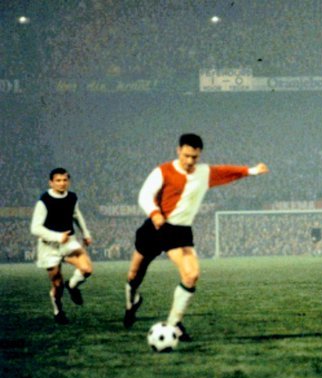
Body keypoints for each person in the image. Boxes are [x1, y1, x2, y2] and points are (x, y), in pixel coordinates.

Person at [123, 133, 269, 339]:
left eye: (195, 157)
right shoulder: (163, 171)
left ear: (200, 154)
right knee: (134, 275)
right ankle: (132, 302)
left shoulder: (204, 173)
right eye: (186, 156)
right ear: (178, 151)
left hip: (179, 232)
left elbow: (226, 172)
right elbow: (145, 195)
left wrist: (252, 170)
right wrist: (155, 213)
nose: (190, 161)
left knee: (191, 275)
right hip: (155, 228)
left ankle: (174, 324)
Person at [30, 168, 94, 324]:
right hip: (49, 246)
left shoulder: (71, 197)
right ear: (51, 183)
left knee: (86, 269)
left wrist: (85, 233)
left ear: (68, 182)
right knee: (57, 285)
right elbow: (35, 228)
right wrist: (57, 236)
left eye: (65, 180)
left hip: (69, 241)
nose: (62, 183)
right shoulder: (44, 201)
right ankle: (58, 311)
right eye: (58, 180)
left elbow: (76, 215)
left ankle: (72, 286)